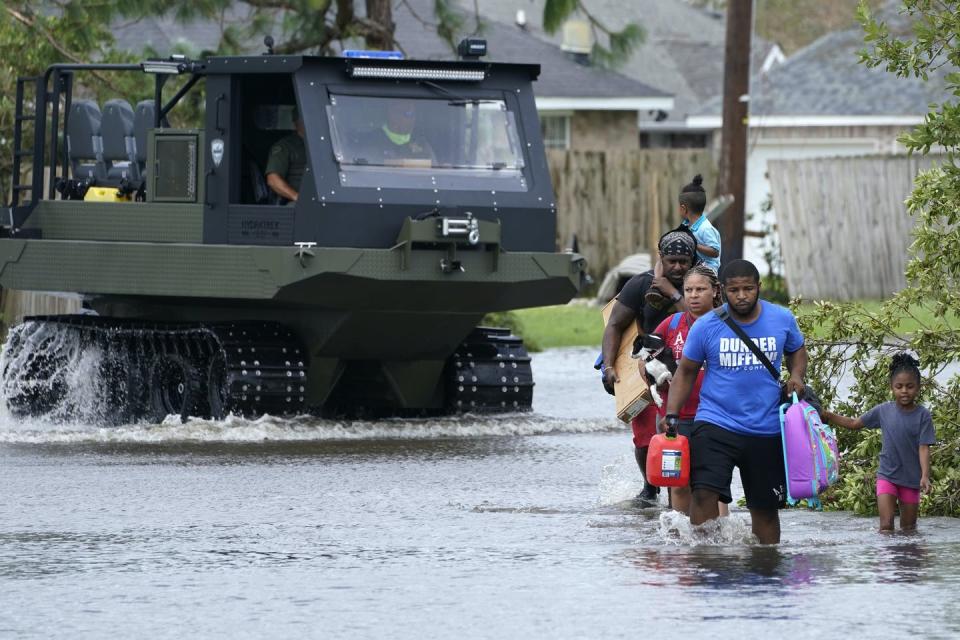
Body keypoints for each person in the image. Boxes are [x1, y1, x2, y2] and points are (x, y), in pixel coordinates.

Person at [664, 259, 807, 543]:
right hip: (715, 424)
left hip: (765, 428)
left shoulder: (782, 319)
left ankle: (767, 567)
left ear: (759, 288)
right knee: (704, 493)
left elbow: (797, 350)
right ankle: (705, 560)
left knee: (765, 509)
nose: (742, 296)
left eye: (748, 289)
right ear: (721, 290)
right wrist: (671, 414)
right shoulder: (706, 326)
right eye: (734, 290)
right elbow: (686, 372)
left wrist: (797, 376)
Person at [601, 228, 697, 505]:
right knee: (645, 438)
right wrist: (609, 366)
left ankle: (679, 490)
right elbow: (615, 325)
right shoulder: (641, 284)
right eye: (672, 261)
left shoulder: (701, 287)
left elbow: (705, 324)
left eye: (683, 261)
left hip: (690, 370)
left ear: (692, 261)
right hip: (647, 369)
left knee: (680, 433)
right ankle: (650, 486)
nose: (678, 267)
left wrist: (673, 293)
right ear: (661, 259)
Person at [821, 353, 935, 532]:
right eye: (899, 386)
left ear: (918, 388)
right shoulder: (883, 410)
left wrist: (925, 476)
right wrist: (828, 415)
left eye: (910, 386)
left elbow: (924, 448)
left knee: (909, 529)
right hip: (887, 476)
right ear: (892, 387)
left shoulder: (923, 416)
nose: (904, 391)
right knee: (886, 526)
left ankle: (908, 560)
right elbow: (854, 423)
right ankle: (885, 560)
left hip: (911, 480)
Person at [651, 264, 728, 517]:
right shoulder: (671, 324)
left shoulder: (729, 326)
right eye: (688, 290)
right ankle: (679, 543)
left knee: (712, 487)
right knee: (678, 482)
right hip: (676, 419)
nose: (693, 295)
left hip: (717, 418)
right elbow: (645, 361)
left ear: (715, 291)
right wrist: (656, 376)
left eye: (700, 289)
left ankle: (716, 547)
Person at [646, 174, 722, 308]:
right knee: (663, 258)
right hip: (694, 261)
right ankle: (657, 283)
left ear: (683, 208)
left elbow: (715, 252)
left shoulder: (705, 228)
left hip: (706, 267)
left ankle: (676, 296)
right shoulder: (688, 224)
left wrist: (695, 246)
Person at [356, 99, 434, 165]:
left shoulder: (421, 142)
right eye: (402, 113)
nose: (407, 118)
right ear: (389, 114)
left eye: (410, 114)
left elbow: (434, 168)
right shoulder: (372, 141)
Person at [265, 106, 307, 203]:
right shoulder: (285, 147)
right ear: (297, 122)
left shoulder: (322, 144)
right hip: (296, 205)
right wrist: (298, 198)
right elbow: (273, 180)